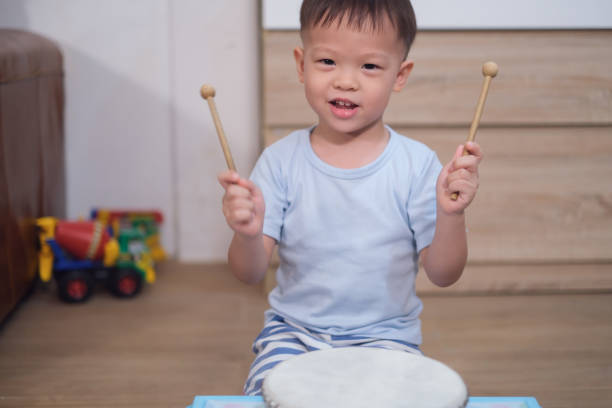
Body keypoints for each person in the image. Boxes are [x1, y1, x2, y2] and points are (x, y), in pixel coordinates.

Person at [218, 0, 483, 396]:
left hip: (387, 338)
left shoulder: (416, 165)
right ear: (300, 64)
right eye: (327, 61)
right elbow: (248, 273)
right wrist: (247, 234)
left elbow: (444, 275)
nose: (346, 81)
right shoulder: (279, 161)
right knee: (272, 396)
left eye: (369, 66)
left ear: (400, 74)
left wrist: (451, 215)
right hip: (294, 336)